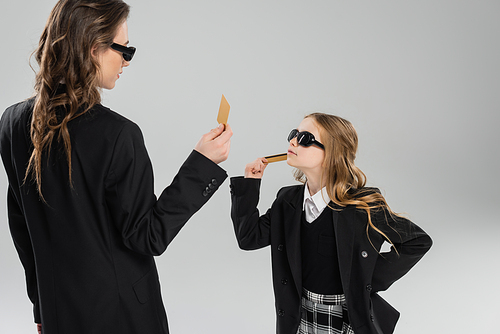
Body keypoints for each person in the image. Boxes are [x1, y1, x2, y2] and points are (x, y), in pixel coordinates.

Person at [0, 1, 232, 333]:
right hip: (123, 317)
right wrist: (202, 165)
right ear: (93, 48)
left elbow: (22, 228)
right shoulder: (118, 134)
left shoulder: (11, 124)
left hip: (58, 313)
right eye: (124, 50)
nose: (126, 61)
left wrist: (41, 305)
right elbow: (148, 236)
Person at [230, 113, 432, 334]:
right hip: (299, 316)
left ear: (332, 154)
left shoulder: (363, 206)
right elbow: (248, 238)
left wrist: (363, 278)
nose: (293, 141)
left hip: (345, 318)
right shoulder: (286, 201)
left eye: (306, 138)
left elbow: (417, 242)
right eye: (294, 134)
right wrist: (250, 185)